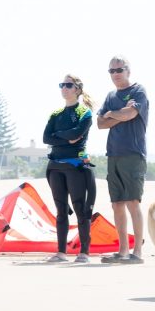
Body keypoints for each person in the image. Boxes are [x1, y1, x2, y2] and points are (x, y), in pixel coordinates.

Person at [97, 55, 149, 264]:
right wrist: (116, 115)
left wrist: (114, 115)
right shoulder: (111, 95)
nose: (116, 74)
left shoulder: (138, 91)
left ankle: (137, 253)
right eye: (112, 71)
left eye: (119, 70)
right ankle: (123, 251)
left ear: (128, 70)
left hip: (133, 154)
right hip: (113, 154)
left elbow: (130, 114)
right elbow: (100, 123)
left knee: (132, 202)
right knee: (117, 204)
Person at [42, 74, 97, 263]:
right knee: (61, 210)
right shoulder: (56, 114)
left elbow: (78, 133)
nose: (64, 88)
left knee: (80, 208)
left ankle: (84, 252)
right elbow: (46, 138)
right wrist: (66, 137)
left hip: (75, 165)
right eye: (62, 85)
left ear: (77, 89)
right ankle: (61, 252)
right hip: (56, 165)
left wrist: (60, 136)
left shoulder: (84, 112)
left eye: (68, 85)